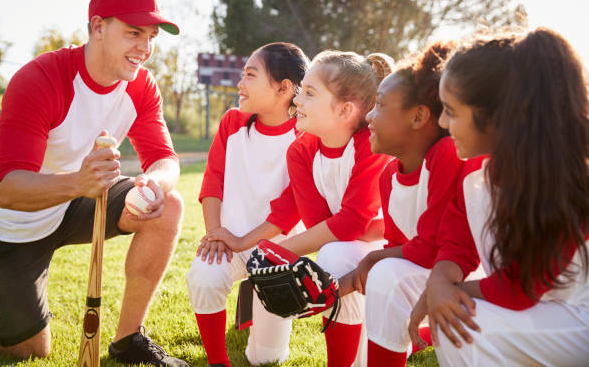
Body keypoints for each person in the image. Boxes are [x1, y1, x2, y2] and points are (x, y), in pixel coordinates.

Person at [0, 0, 188, 366]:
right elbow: (6, 188)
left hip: (78, 197)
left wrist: (154, 184)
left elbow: (165, 159)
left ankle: (128, 341)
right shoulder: (39, 80)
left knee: (168, 206)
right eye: (134, 33)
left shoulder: (141, 86)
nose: (145, 47)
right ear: (97, 28)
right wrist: (79, 182)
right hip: (12, 219)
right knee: (29, 350)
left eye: (152, 36)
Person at [408, 28, 589, 366]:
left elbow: (522, 287)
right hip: (539, 312)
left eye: (451, 111)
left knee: (467, 326)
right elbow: (456, 244)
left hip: (577, 318)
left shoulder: (567, 179)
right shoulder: (475, 172)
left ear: (497, 118)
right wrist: (439, 280)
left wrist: (446, 294)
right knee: (457, 319)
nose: (443, 123)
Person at [209, 50, 394, 367]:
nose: (297, 101)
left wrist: (272, 252)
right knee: (335, 255)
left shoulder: (371, 144)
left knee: (337, 256)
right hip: (351, 245)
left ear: (345, 110)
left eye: (309, 93)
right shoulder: (301, 151)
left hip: (401, 249)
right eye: (300, 91)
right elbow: (322, 223)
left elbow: (347, 224)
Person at [333, 41, 479, 366]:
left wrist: (371, 262)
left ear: (417, 116)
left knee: (385, 271)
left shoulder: (445, 156)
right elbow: (401, 247)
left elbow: (430, 248)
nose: (369, 116)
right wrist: (358, 273)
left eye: (380, 105)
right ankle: (404, 342)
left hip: (463, 271)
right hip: (434, 271)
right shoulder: (387, 176)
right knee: (384, 269)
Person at [186, 42, 309, 366]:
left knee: (265, 360)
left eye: (251, 76)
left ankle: (253, 301)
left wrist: (242, 240)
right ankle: (217, 361)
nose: (240, 84)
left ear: (284, 88)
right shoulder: (232, 123)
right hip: (231, 242)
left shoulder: (305, 136)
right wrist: (217, 234)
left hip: (276, 253)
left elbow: (289, 208)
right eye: (242, 75)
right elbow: (213, 180)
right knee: (204, 274)